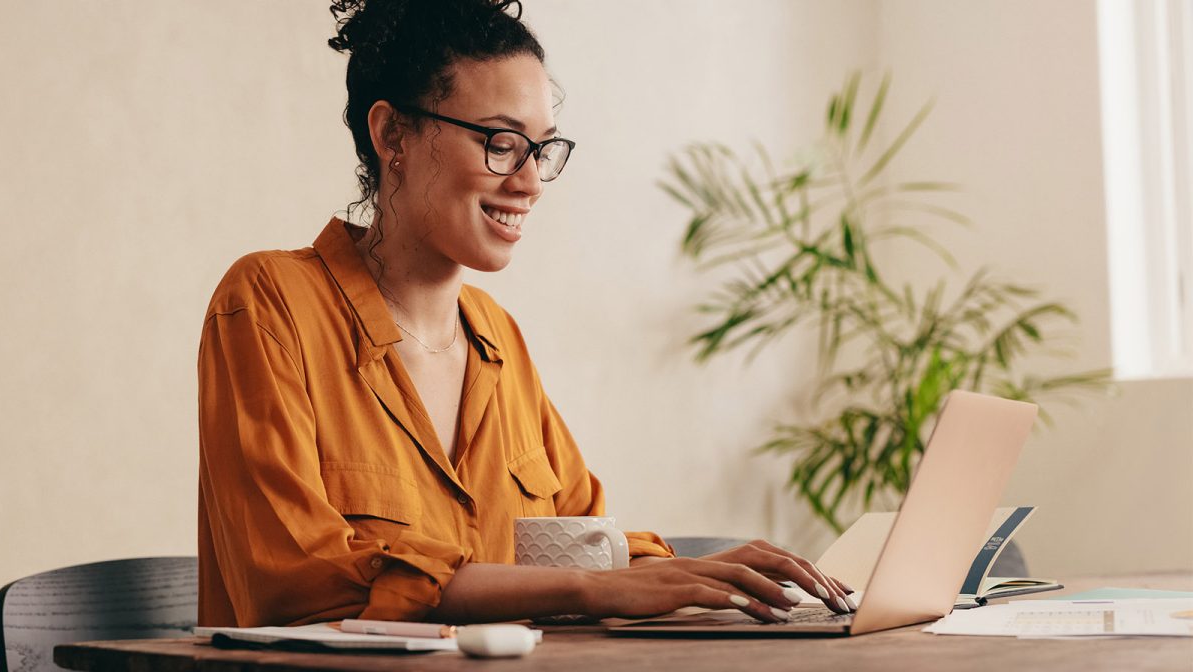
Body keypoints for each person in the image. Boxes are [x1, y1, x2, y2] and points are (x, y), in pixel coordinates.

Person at [195, 0, 855, 628]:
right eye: (501, 143)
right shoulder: (267, 303)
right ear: (392, 133)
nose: (531, 181)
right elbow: (297, 582)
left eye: (542, 149)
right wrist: (589, 589)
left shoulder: (496, 338)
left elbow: (585, 545)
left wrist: (696, 573)